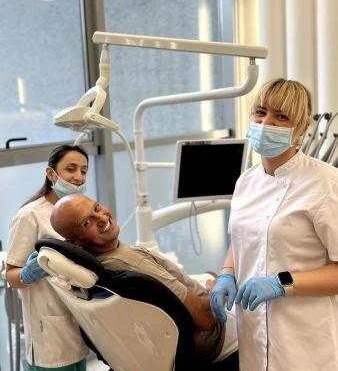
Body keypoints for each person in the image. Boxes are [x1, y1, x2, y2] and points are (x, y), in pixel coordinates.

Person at [210, 78, 338, 371]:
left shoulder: (326, 184)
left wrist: (282, 284)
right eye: (261, 112)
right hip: (253, 338)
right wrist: (226, 274)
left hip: (306, 345)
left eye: (282, 117)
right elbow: (243, 239)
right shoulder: (246, 181)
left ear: (301, 128)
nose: (267, 123)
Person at [50, 193, 239, 369]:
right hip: (215, 335)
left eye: (97, 208)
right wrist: (217, 290)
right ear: (76, 243)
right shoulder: (131, 263)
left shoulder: (99, 266)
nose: (101, 218)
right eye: (86, 223)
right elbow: (205, 319)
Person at [6, 145, 90, 371]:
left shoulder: (83, 212)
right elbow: (10, 276)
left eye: (84, 170)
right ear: (51, 173)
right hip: (48, 332)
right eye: (71, 169)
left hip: (79, 323)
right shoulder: (30, 215)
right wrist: (29, 272)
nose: (79, 177)